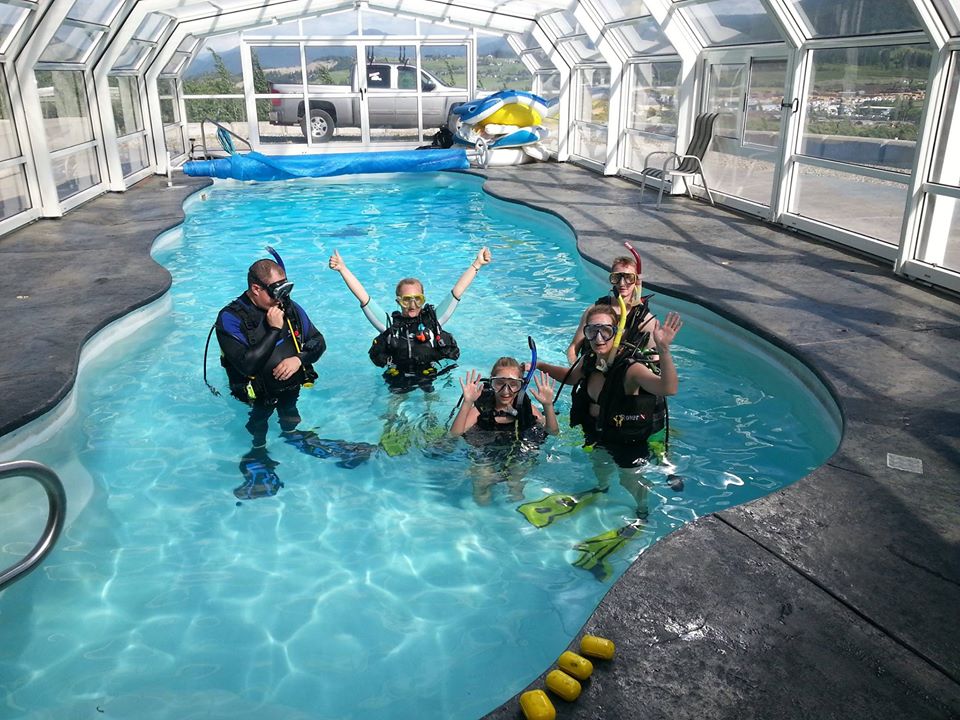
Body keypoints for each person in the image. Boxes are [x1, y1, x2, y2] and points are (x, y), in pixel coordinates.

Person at [537, 303, 683, 528]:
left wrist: (663, 350)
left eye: (606, 330)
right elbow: (571, 377)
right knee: (599, 464)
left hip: (627, 440)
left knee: (628, 480)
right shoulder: (589, 361)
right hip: (598, 431)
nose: (598, 338)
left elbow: (668, 388)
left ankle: (642, 512)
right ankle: (602, 487)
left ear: (618, 333)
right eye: (592, 331)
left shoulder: (631, 369)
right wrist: (539, 365)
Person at [216, 257, 328, 499]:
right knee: (259, 422)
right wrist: (274, 329)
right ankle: (257, 453)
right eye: (277, 291)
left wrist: (299, 359)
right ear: (256, 289)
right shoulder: (230, 318)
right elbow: (247, 364)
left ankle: (292, 434)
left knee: (290, 411)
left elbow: (319, 342)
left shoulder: (289, 307)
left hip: (289, 386)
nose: (282, 298)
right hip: (256, 395)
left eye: (286, 289)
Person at [328, 247, 491, 393]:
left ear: (423, 300)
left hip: (428, 375)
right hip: (398, 376)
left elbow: (456, 292)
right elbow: (364, 298)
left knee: (431, 403)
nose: (412, 305)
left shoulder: (433, 323)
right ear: (398, 301)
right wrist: (342, 269)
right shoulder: (390, 326)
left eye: (417, 299)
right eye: (406, 300)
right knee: (393, 411)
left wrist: (477, 264)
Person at [451, 357, 558, 504]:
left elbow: (553, 432)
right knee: (482, 478)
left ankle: (514, 518)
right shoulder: (482, 407)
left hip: (518, 450)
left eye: (513, 384)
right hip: (486, 450)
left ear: (521, 386)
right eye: (499, 383)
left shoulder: (525, 407)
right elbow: (454, 434)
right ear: (491, 383)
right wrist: (467, 402)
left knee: (516, 481)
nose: (506, 391)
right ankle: (482, 517)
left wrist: (548, 405)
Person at [566, 246, 659, 364]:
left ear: (637, 281)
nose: (622, 283)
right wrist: (576, 370)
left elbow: (656, 358)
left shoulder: (644, 319)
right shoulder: (594, 311)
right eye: (616, 278)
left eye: (629, 278)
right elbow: (573, 348)